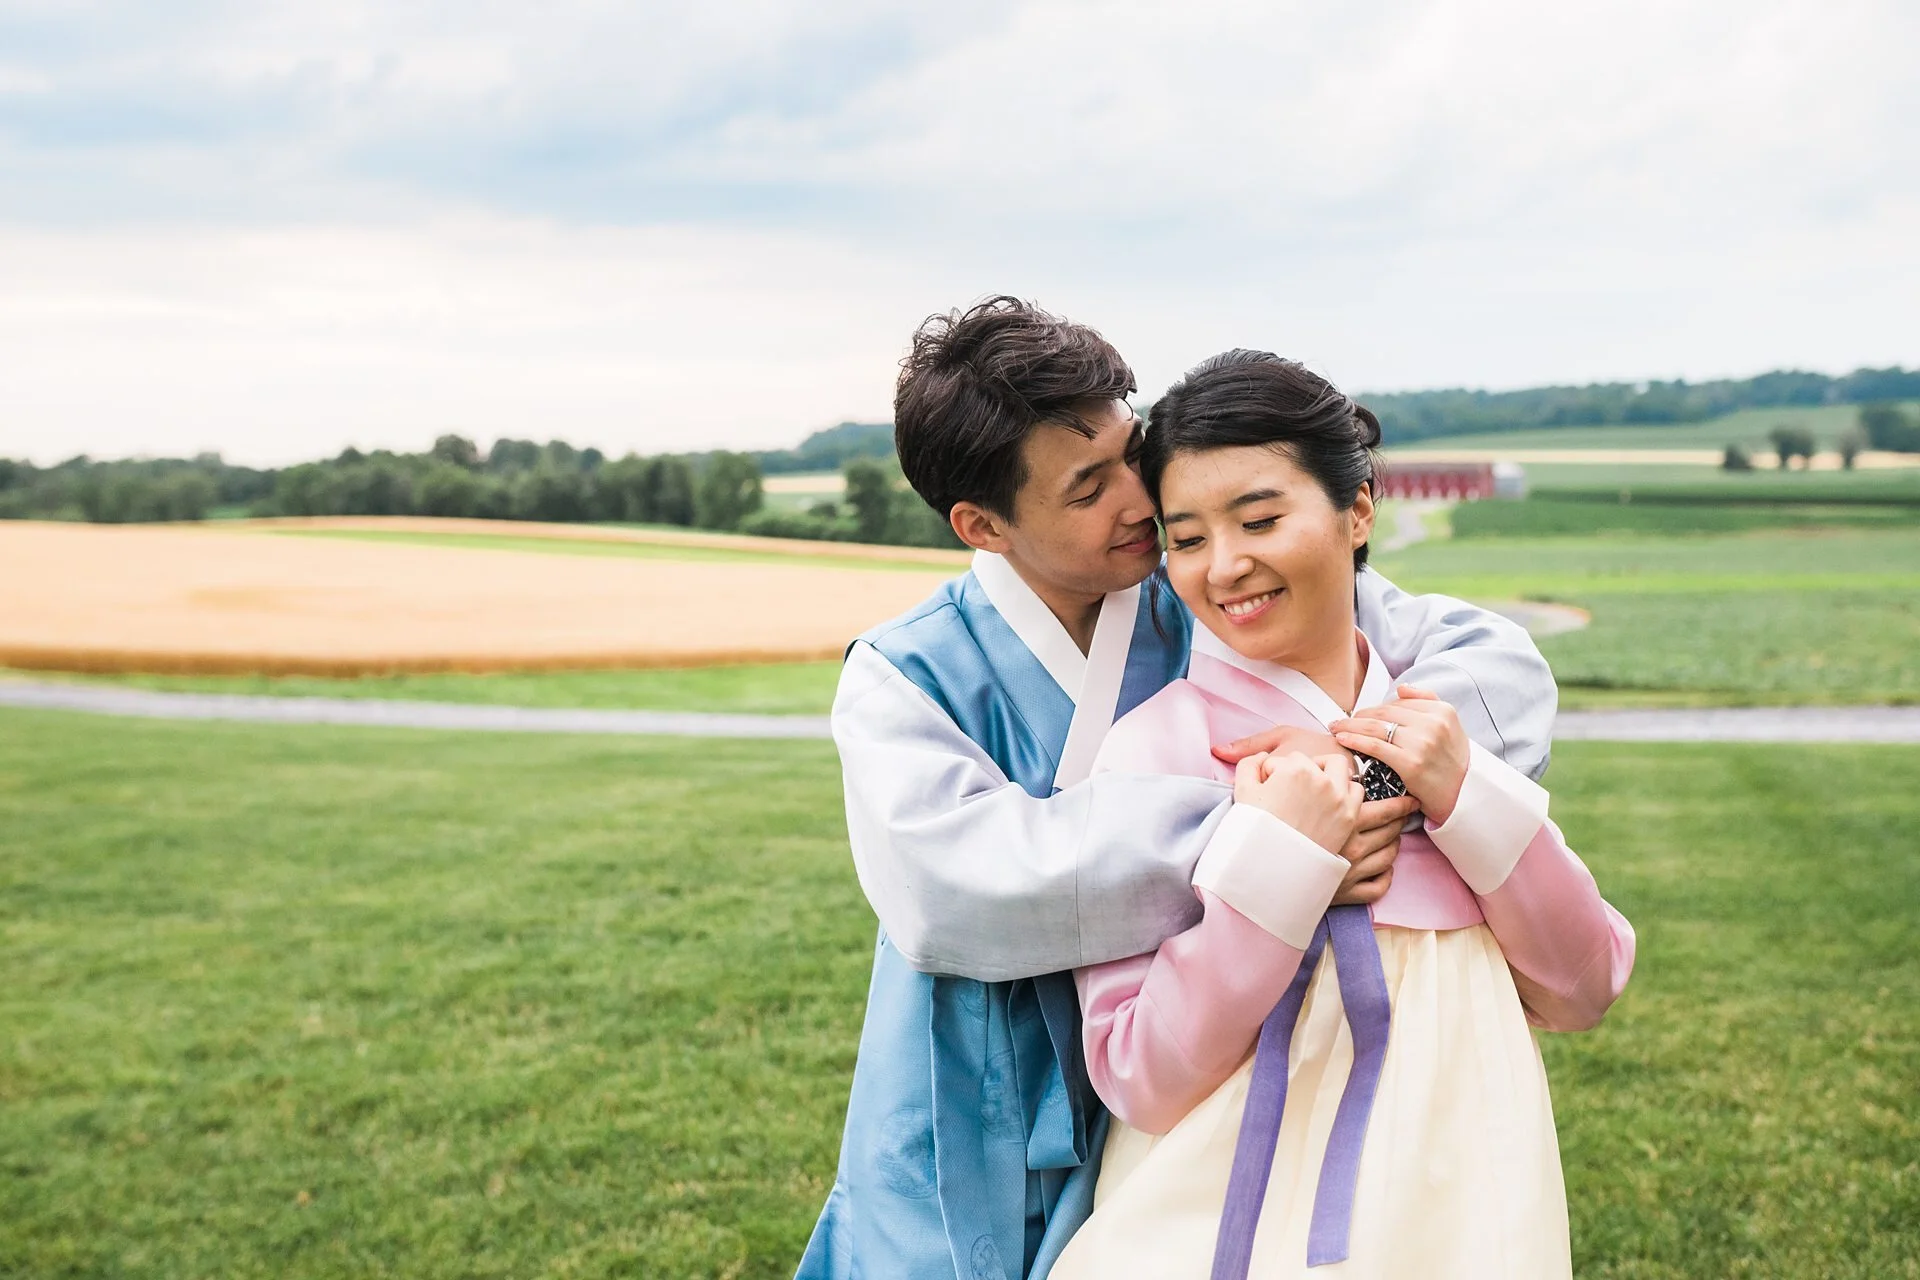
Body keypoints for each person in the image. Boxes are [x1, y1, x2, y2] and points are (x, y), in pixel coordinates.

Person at [796, 299, 1561, 1280]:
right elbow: (955, 886)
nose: (1138, 496)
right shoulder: (904, 675)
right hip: (982, 1080)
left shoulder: (1207, 586)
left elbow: (1489, 666)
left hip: (1207, 1046)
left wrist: (1363, 777)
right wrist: (1259, 836)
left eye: (1128, 451)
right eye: (1087, 487)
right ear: (983, 525)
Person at [1047, 350, 1636, 1280]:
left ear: (1357, 508)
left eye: (1261, 518)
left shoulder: (1438, 731)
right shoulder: (1156, 752)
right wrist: (1275, 868)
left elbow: (1585, 983)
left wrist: (1462, 792)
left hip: (1464, 1217)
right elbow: (1139, 1077)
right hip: (1222, 1232)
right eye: (1187, 537)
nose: (1224, 566)